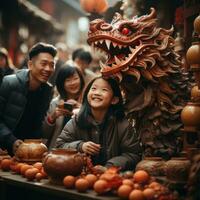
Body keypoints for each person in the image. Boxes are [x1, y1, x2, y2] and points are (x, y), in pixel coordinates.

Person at [55, 76, 142, 170]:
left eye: (104, 90)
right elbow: (59, 145)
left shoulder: (122, 125)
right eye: (93, 88)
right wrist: (80, 146)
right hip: (80, 177)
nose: (97, 93)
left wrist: (110, 167)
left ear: (114, 100)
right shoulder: (76, 121)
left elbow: (133, 155)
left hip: (110, 179)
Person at [0, 42, 57, 155]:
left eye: (52, 65)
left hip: (27, 153)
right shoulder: (9, 83)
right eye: (44, 63)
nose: (48, 69)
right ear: (30, 64)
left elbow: (37, 124)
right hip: (3, 150)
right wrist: (12, 141)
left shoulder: (47, 90)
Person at [43, 64, 85, 149]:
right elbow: (44, 134)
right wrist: (52, 118)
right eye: (68, 80)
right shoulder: (55, 103)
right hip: (57, 152)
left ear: (81, 79)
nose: (72, 83)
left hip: (81, 152)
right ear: (61, 84)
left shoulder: (88, 103)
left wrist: (82, 109)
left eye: (76, 78)